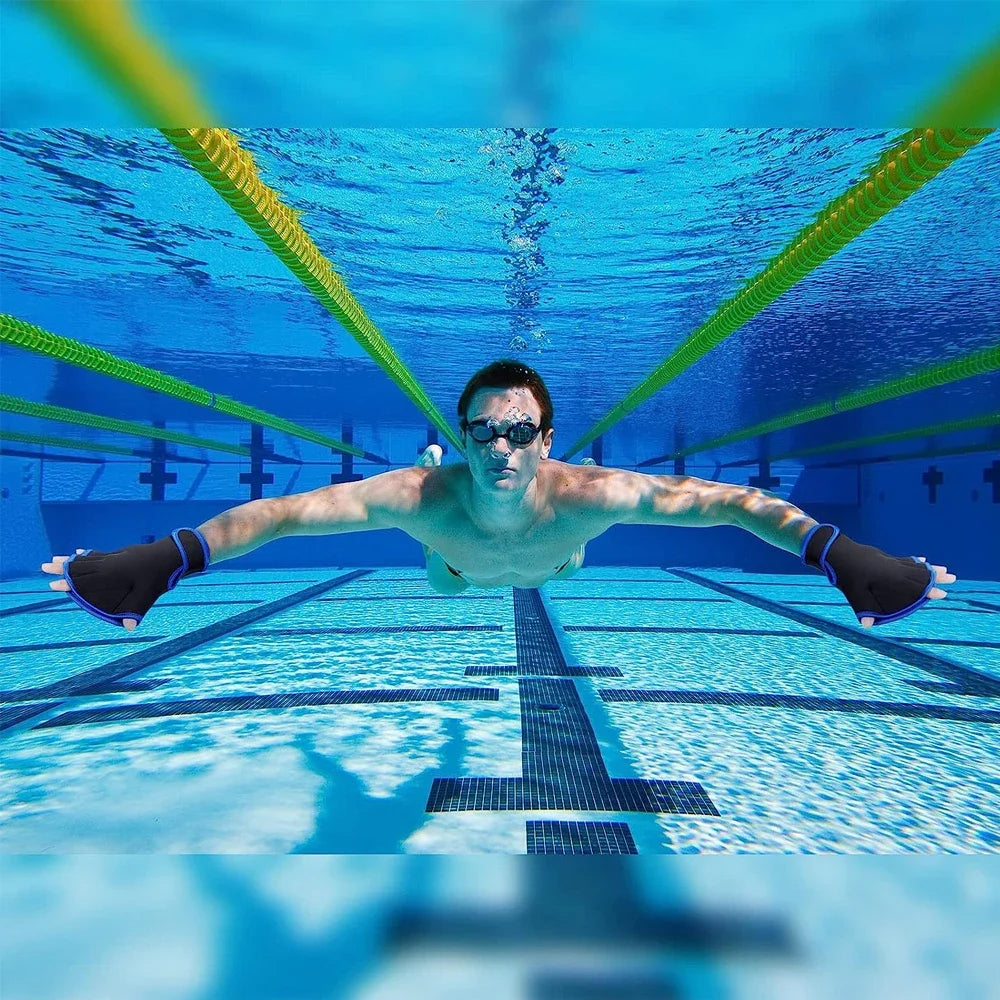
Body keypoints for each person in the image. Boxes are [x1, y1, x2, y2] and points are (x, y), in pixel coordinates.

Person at [42, 360, 954, 631]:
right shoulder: (421, 494)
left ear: (547, 440)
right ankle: (460, 564)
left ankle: (551, 557)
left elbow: (725, 502)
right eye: (483, 432)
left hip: (558, 549)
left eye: (520, 432)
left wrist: (837, 552)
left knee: (567, 559)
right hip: (457, 560)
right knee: (446, 573)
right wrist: (172, 557)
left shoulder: (590, 489)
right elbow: (280, 516)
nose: (503, 447)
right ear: (466, 437)